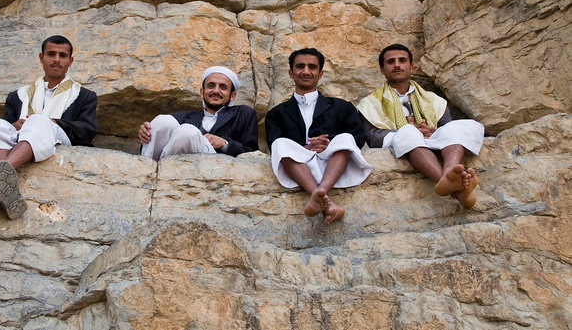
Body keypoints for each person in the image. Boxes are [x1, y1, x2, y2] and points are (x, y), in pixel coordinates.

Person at [0, 35, 98, 219]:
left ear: (70, 61)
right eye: (51, 54)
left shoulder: (84, 95)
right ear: (41, 58)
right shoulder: (18, 95)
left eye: (62, 55)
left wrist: (55, 122)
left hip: (58, 137)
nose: (56, 59)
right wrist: (15, 125)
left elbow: (88, 130)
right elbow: (6, 128)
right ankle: (2, 183)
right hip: (23, 135)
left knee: (39, 120)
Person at [356, 43, 484, 208]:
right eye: (391, 62)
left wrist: (431, 132)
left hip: (433, 138)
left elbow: (448, 127)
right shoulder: (370, 103)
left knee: (466, 125)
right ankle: (453, 187)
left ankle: (451, 170)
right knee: (408, 132)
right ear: (382, 69)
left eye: (402, 60)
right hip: (401, 140)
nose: (397, 65)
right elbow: (373, 136)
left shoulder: (433, 99)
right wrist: (410, 131)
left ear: (411, 66)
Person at [265, 48, 373, 225]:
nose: (306, 71)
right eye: (300, 66)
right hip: (298, 166)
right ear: (291, 73)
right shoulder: (276, 114)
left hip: (334, 162)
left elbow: (358, 138)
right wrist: (304, 148)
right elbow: (273, 146)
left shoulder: (342, 107)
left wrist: (329, 145)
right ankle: (326, 201)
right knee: (280, 143)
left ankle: (319, 193)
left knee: (345, 138)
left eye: (312, 67)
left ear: (320, 73)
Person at [138, 66, 258, 161]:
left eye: (223, 87)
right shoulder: (185, 116)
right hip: (172, 159)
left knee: (187, 131)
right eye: (211, 86)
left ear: (232, 95)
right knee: (163, 120)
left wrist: (224, 143)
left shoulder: (243, 113)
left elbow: (253, 152)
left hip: (216, 164)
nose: (216, 91)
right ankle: (148, 169)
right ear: (202, 92)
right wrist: (147, 131)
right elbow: (159, 133)